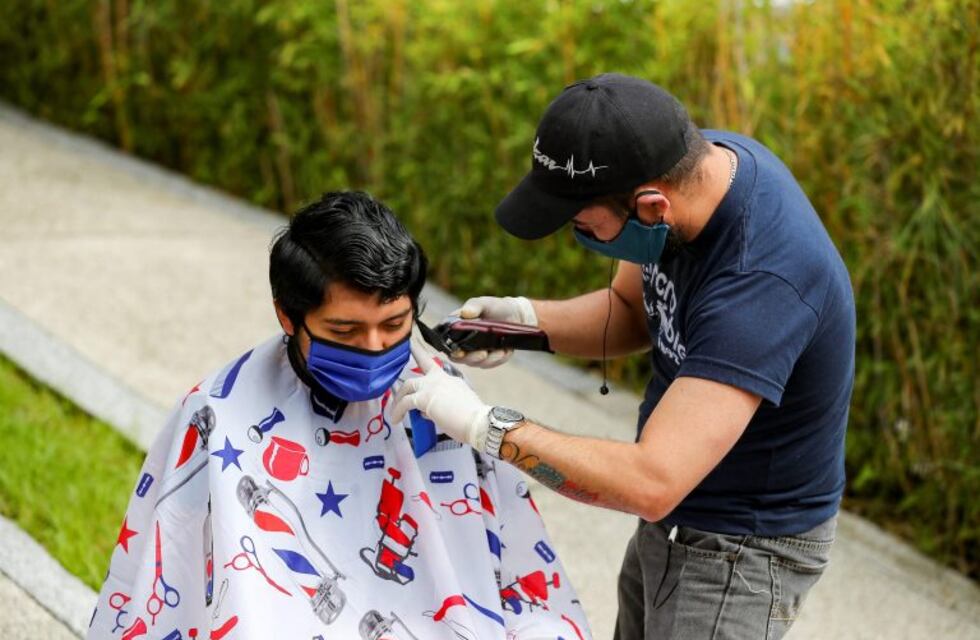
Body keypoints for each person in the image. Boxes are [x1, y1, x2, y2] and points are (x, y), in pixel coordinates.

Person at [392, 73, 856, 639]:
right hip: (676, 516)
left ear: (652, 205)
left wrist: (482, 425)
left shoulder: (761, 281)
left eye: (583, 226)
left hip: (739, 548)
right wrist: (525, 324)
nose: (576, 237)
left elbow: (651, 479)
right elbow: (631, 310)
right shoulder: (684, 165)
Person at [87, 191, 592, 640]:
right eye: (346, 331)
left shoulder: (443, 399)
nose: (374, 349)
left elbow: (522, 575)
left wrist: (488, 426)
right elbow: (164, 576)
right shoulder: (218, 413)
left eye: (394, 324)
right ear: (287, 314)